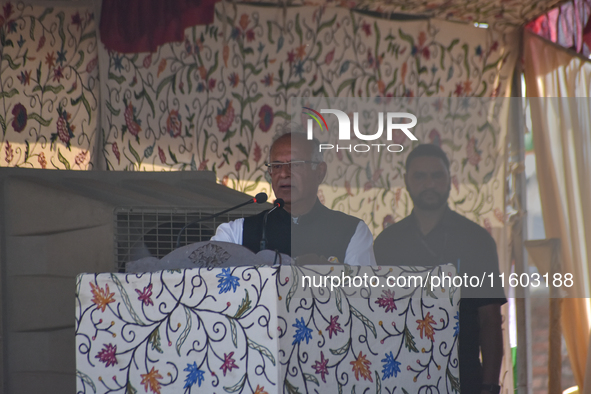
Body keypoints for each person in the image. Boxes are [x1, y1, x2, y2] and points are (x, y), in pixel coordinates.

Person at [373, 144, 505, 394]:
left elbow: (489, 319)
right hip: (398, 373)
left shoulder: (477, 240)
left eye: (437, 175)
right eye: (420, 176)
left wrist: (489, 386)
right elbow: (375, 317)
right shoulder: (387, 243)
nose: (429, 183)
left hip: (463, 374)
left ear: (449, 180)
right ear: (407, 182)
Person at [211, 130, 376, 266]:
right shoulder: (235, 233)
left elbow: (362, 296)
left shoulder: (352, 231)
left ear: (320, 172)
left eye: (295, 164)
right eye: (276, 166)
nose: (283, 174)